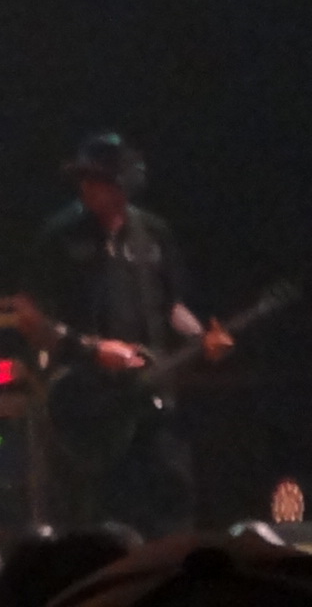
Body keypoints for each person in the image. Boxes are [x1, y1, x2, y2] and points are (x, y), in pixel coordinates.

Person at [25, 133, 232, 537]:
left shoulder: (154, 233)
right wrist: (91, 349)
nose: (87, 187)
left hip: (152, 394)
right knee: (102, 517)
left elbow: (173, 307)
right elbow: (29, 318)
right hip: (91, 405)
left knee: (171, 505)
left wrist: (202, 338)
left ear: (123, 184)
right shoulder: (59, 236)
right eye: (83, 179)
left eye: (97, 179)